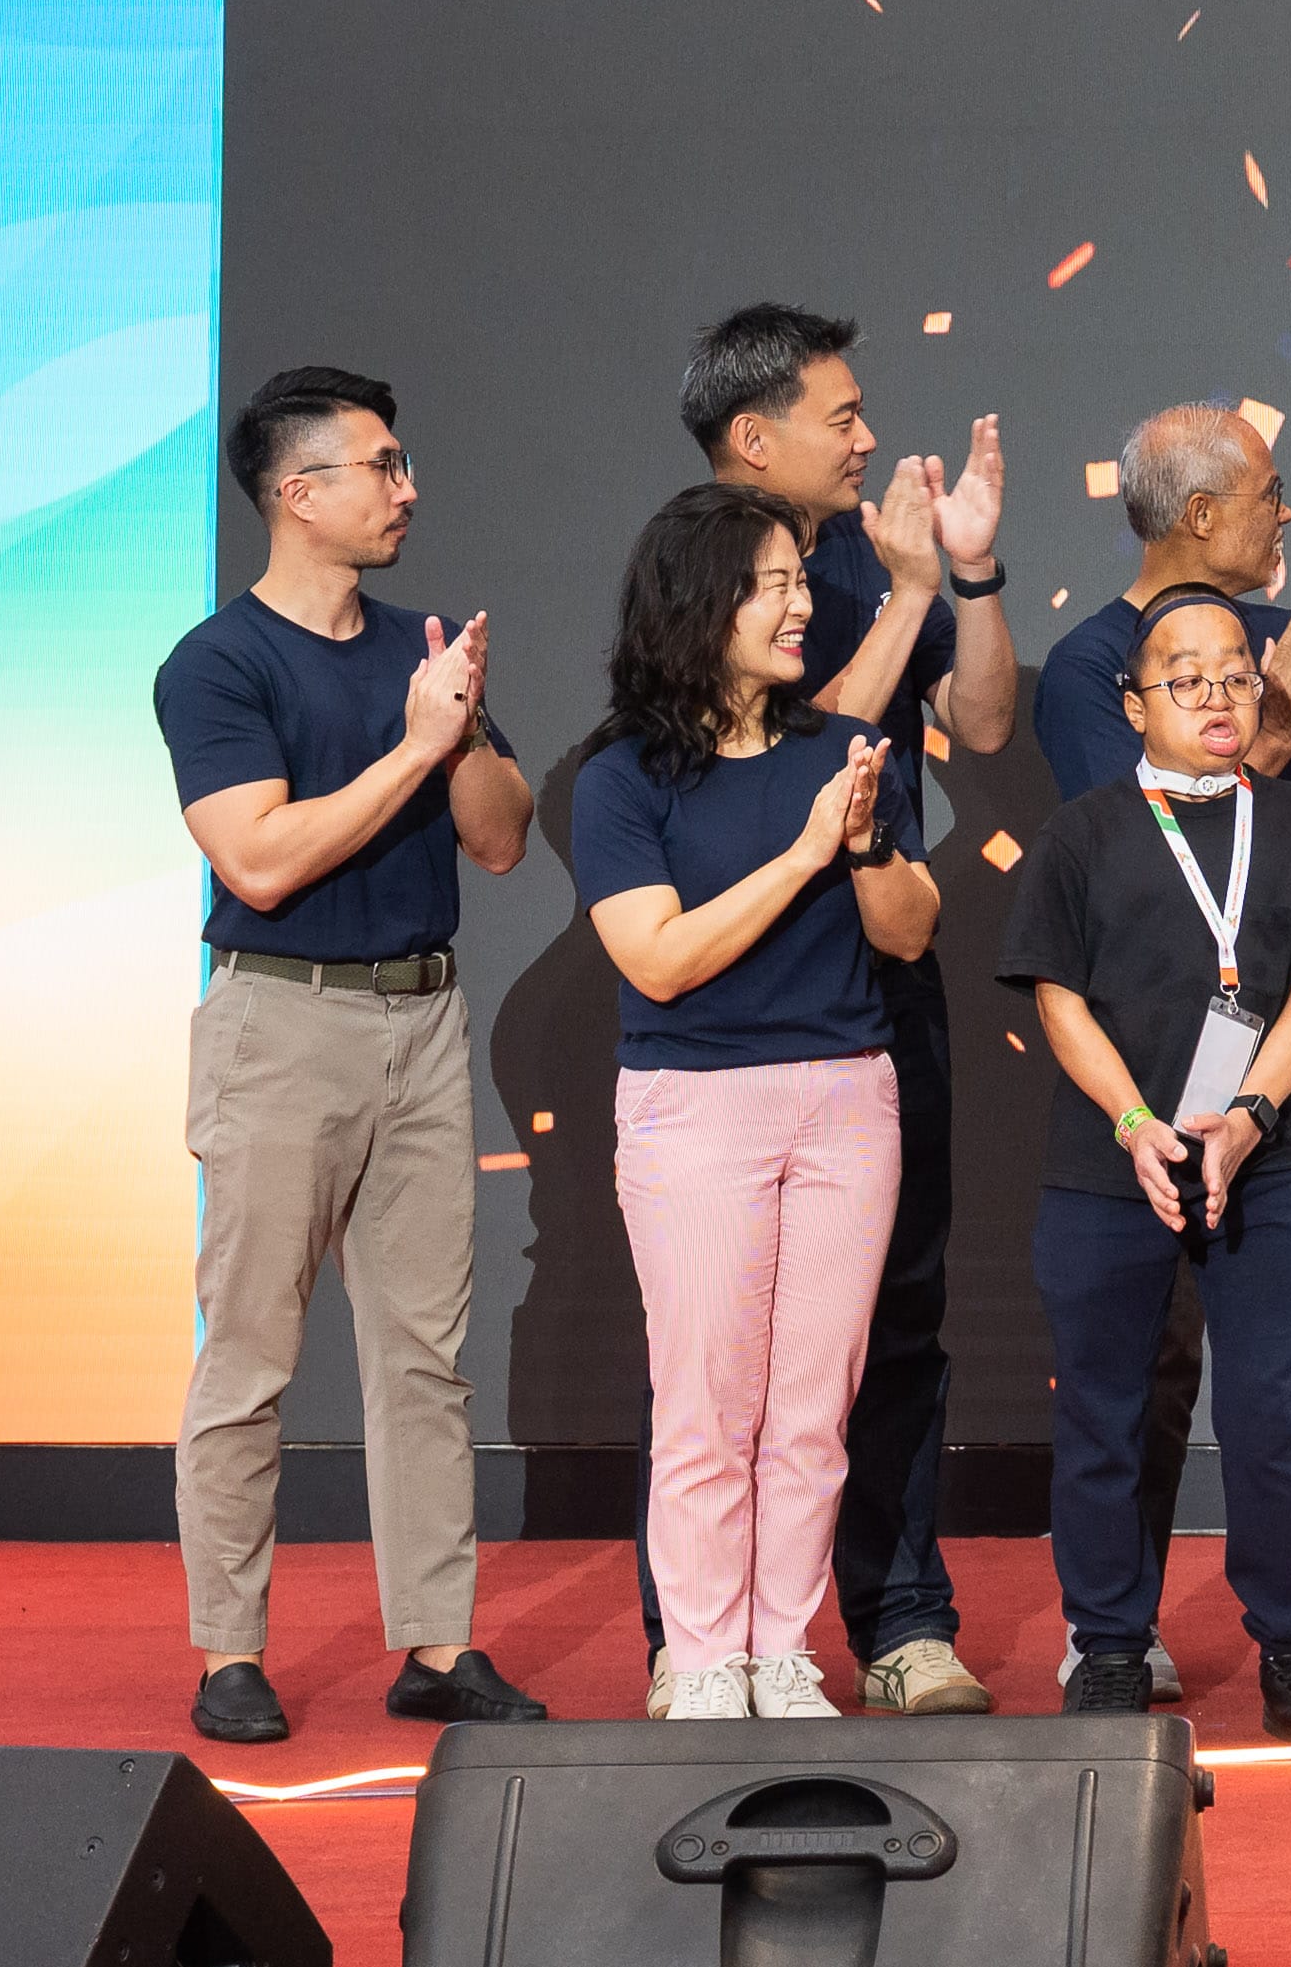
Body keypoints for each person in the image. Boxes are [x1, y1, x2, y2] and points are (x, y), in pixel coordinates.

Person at [152, 368, 550, 1747]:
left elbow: (498, 840)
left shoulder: (416, 650)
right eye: (380, 464)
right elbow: (258, 860)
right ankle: (228, 1649)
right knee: (252, 1351)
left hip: (421, 1017)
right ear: (294, 491)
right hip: (283, 1020)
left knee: (424, 1358)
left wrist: (461, 731)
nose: (407, 486)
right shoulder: (219, 664)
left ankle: (436, 1643)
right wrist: (411, 747)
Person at [1035, 402, 1291, 1690]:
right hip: (1129, 1122)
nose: (1285, 514)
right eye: (1267, 492)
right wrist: (1144, 1123)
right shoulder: (1098, 664)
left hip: (1288, 1103)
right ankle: (1113, 1639)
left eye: (1229, 682)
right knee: (1128, 1385)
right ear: (1200, 514)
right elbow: (1159, 817)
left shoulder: (1281, 655)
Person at [678, 306, 1015, 1715]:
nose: (868, 437)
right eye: (842, 413)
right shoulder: (694, 566)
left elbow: (984, 724)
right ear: (754, 436)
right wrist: (899, 599)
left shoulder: (881, 555)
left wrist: (971, 579)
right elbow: (791, 744)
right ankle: (693, 1640)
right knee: (721, 1351)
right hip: (739, 1001)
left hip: (881, 974)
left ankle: (898, 1617)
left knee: (899, 1317)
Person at [570, 482, 935, 1722]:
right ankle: (701, 1655)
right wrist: (801, 856)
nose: (798, 606)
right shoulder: (621, 780)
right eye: (772, 584)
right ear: (697, 601)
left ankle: (783, 1649)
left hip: (845, 1098)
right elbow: (659, 958)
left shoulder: (840, 750)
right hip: (695, 1107)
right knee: (707, 1403)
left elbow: (909, 930)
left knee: (812, 1406)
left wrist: (870, 844)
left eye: (799, 582)